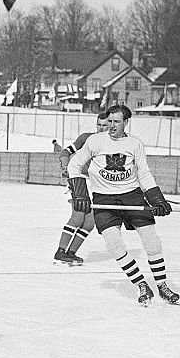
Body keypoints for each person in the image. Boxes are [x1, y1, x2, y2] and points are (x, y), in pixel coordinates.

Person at [68, 104, 179, 305]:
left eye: (116, 122)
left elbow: (143, 173)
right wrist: (80, 193)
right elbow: (74, 165)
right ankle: (141, 284)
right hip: (104, 199)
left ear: (126, 122)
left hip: (132, 196)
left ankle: (162, 285)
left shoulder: (135, 144)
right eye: (109, 121)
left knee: (152, 242)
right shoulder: (95, 141)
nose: (111, 126)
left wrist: (157, 199)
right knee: (114, 245)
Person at [54, 112, 111, 265]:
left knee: (89, 223)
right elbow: (66, 151)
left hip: (97, 184)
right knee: (78, 216)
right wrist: (65, 165)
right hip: (79, 178)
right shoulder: (86, 138)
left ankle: (70, 253)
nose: (101, 128)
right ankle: (60, 251)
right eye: (99, 125)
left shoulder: (114, 143)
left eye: (105, 125)